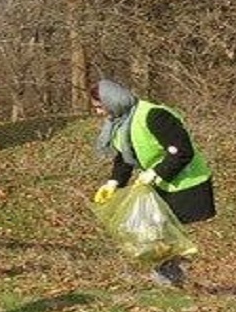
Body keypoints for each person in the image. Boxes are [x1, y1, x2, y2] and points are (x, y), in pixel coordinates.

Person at [90, 79, 216, 287]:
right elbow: (125, 156)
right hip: (159, 184)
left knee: (164, 234)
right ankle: (170, 281)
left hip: (185, 182)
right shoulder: (121, 123)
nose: (98, 113)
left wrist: (155, 173)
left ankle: (171, 281)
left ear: (111, 102)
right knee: (155, 234)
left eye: (99, 107)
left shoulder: (154, 116)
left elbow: (182, 151)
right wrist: (113, 182)